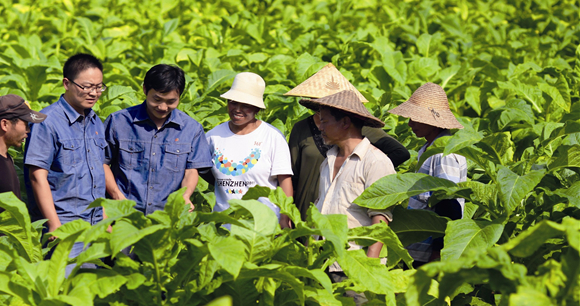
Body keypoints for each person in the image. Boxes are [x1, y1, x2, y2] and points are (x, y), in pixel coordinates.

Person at [309, 89, 397, 306]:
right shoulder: (328, 159)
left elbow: (381, 220)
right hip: (326, 259)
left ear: (345, 122)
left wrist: (369, 268)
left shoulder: (376, 161)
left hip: (355, 261)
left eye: (324, 121)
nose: (319, 126)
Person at [285, 64, 409, 219]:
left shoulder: (358, 129)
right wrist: (287, 213)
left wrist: (358, 170)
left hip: (347, 211)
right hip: (307, 210)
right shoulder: (301, 128)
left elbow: (400, 153)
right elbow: (291, 176)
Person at [23, 53, 109, 272]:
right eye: (87, 86)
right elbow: (36, 175)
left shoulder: (95, 121)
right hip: (66, 223)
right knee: (65, 292)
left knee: (90, 294)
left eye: (99, 87)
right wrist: (54, 224)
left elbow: (99, 170)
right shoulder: (46, 121)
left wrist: (106, 217)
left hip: (95, 223)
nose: (94, 93)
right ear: (66, 83)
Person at [104, 64, 211, 214]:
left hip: (166, 216)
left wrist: (185, 196)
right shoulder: (118, 121)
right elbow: (101, 162)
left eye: (171, 101)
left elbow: (191, 170)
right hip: (122, 213)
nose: (162, 107)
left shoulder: (191, 129)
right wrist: (117, 196)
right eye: (157, 99)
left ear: (181, 96)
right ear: (145, 89)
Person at [389, 82, 467, 265]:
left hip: (430, 255)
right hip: (418, 250)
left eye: (416, 118)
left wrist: (439, 251)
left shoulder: (444, 154)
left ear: (433, 120)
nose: (410, 124)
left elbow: (449, 205)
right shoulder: (428, 148)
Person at [206, 72, 294, 228]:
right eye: (233, 102)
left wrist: (285, 217)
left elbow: (285, 181)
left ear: (257, 109)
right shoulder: (213, 136)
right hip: (224, 227)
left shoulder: (272, 137)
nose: (237, 109)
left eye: (245, 105)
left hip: (262, 226)